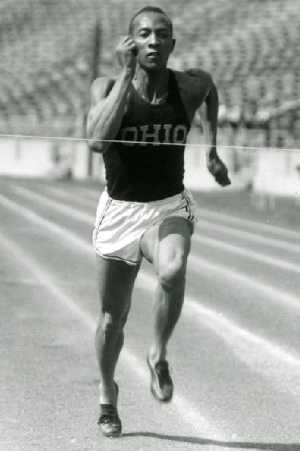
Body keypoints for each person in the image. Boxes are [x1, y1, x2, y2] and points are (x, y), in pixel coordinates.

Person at [86, 5, 230, 438]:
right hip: (119, 211)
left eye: (161, 34)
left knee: (172, 268)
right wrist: (126, 77)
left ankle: (158, 353)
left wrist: (210, 146)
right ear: (131, 43)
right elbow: (96, 140)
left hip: (167, 206)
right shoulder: (107, 86)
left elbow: (211, 91)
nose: (153, 41)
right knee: (113, 318)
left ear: (172, 43)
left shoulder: (188, 86)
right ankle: (108, 394)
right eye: (144, 34)